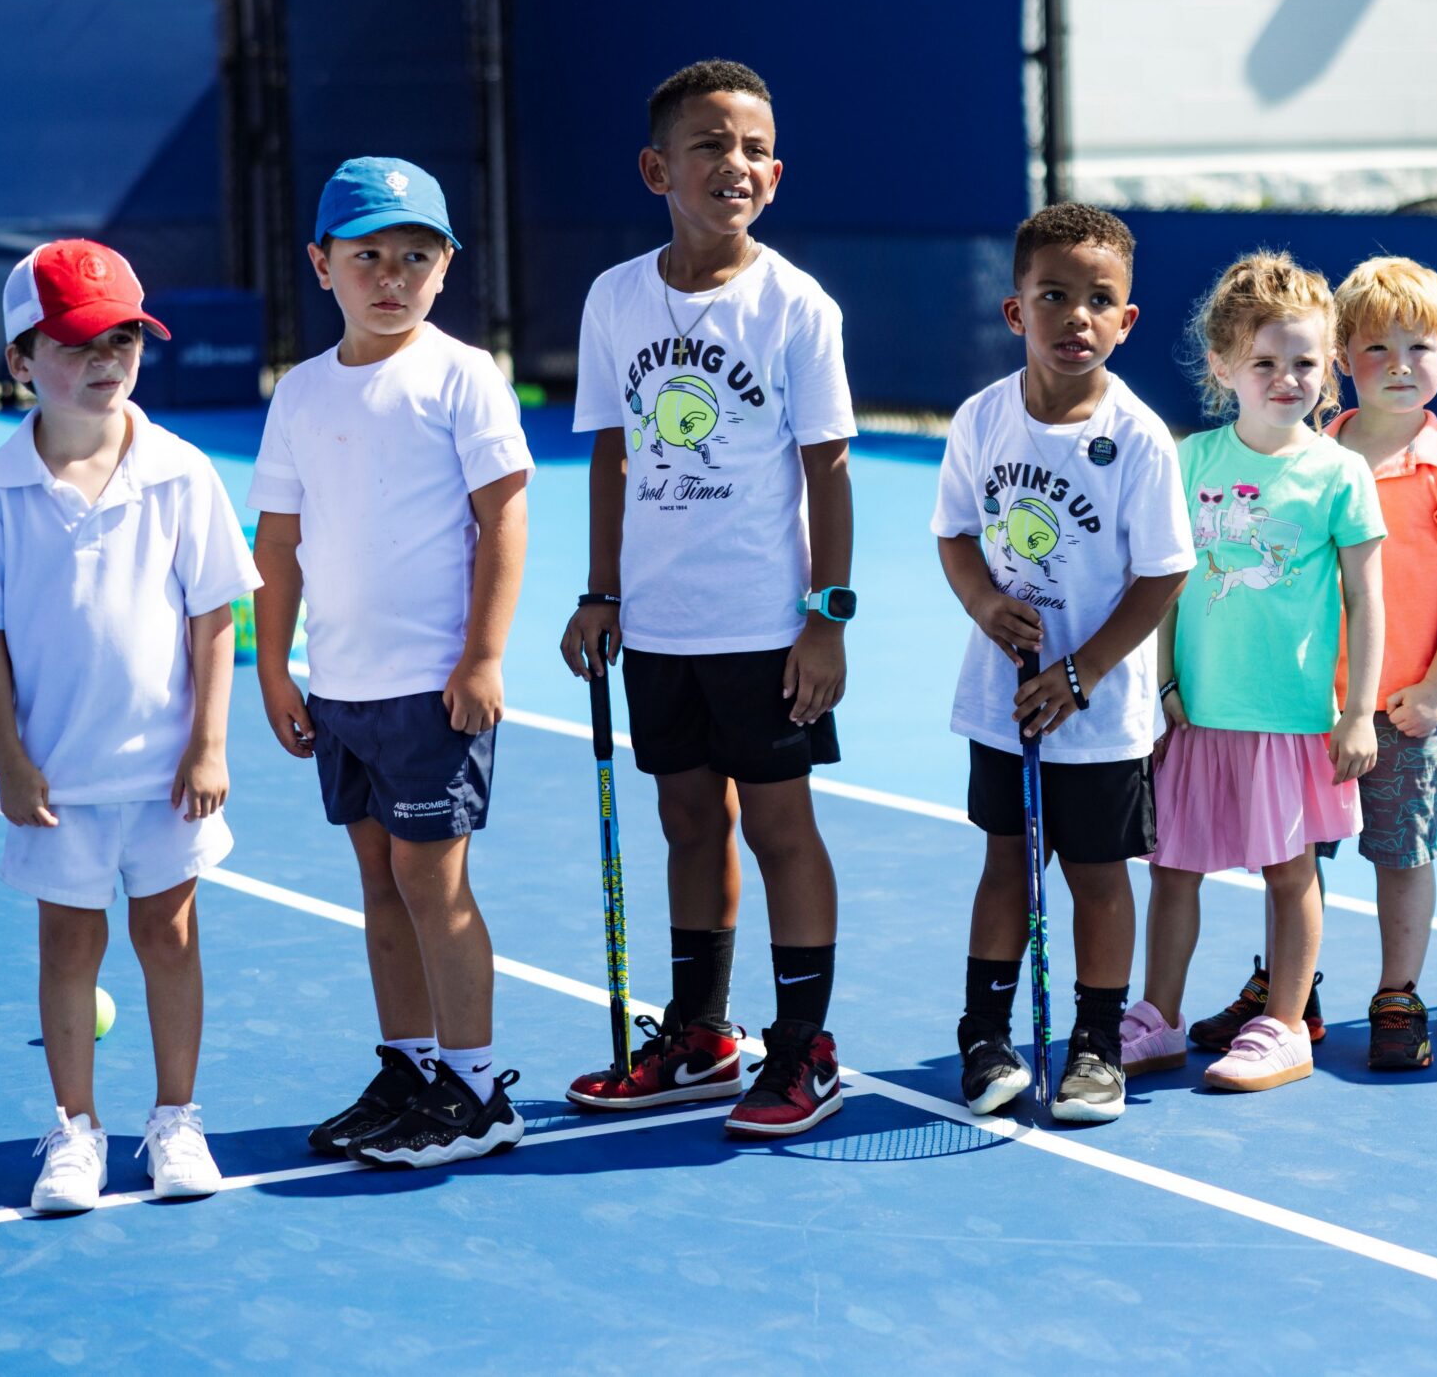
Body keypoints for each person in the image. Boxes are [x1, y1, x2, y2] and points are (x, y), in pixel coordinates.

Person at [560, 60, 860, 1140]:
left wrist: (826, 615)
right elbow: (609, 454)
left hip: (767, 626)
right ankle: (700, 1033)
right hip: (658, 623)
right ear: (657, 169)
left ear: (772, 177)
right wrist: (600, 593)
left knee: (782, 826)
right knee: (686, 816)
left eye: (751, 149)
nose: (732, 164)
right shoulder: (614, 298)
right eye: (708, 144)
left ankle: (804, 1047)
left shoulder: (793, 307)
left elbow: (828, 468)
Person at [0, 239, 259, 1211]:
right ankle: (74, 1130)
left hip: (167, 776)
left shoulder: (183, 471)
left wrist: (208, 743)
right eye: (76, 344)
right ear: (22, 360)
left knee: (170, 936)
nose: (106, 360)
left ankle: (176, 1120)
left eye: (122, 338)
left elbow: (214, 619)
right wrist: (10, 763)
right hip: (59, 784)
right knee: (69, 950)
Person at [252, 158, 534, 1169]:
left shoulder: (461, 375)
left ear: (445, 267)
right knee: (378, 879)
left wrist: (482, 657)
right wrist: (276, 669)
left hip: (434, 689)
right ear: (322, 264)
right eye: (367, 254)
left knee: (432, 881)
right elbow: (276, 541)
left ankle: (476, 1086)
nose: (390, 274)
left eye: (414, 255)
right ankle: (411, 1063)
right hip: (341, 690)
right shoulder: (300, 392)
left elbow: (503, 517)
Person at [932, 203, 1193, 1122]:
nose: (1075, 316)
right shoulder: (980, 420)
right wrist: (981, 604)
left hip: (1101, 712)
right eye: (1054, 296)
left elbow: (1164, 576)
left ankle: (1094, 1043)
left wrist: (1080, 676)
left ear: (1127, 321)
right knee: (1007, 864)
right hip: (1003, 702)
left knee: (1095, 874)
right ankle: (986, 1035)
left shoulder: (1141, 439)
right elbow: (957, 535)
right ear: (1016, 313)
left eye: (1099, 300)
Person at [1142, 252, 1386, 1093]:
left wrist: (1357, 713)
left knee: (1291, 874)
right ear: (1222, 367)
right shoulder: (1189, 460)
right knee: (1174, 869)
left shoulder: (1340, 473)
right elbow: (1164, 590)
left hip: (1290, 718)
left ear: (1330, 368)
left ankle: (1284, 1025)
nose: (1288, 379)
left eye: (1307, 363)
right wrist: (1163, 687)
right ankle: (1158, 1019)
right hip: (1196, 718)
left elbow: (1367, 600)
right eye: (1266, 363)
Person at [1318, 257, 1437, 1070]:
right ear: (1339, 359)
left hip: (1405, 710)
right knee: (1296, 859)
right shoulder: (1314, 453)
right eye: (1376, 348)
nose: (1400, 365)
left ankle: (1398, 993)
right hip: (1311, 707)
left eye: (1420, 348)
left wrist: (1433, 689)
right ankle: (1292, 992)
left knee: (1403, 853)